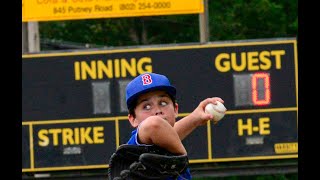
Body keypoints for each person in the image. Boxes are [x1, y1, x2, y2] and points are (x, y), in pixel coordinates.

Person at [125, 72, 225, 179]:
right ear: (133, 119)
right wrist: (181, 157)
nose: (158, 111)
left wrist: (194, 118)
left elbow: (168, 133)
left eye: (163, 103)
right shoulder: (137, 143)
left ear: (175, 109)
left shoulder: (165, 143)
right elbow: (154, 125)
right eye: (147, 106)